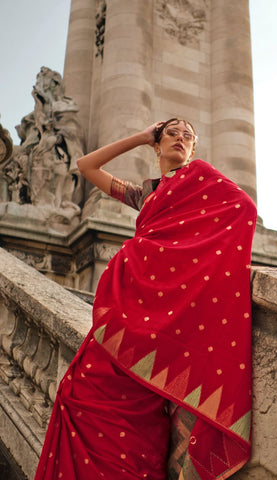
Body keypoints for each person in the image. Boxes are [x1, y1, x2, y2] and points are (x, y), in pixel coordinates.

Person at [34, 118, 257, 480]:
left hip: (162, 322)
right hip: (125, 313)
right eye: (172, 132)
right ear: (157, 144)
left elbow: (243, 209)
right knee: (77, 397)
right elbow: (86, 166)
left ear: (195, 149)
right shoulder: (145, 195)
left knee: (137, 441)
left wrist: (184, 267)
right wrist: (139, 137)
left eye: (188, 135)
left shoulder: (201, 179)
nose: (180, 138)